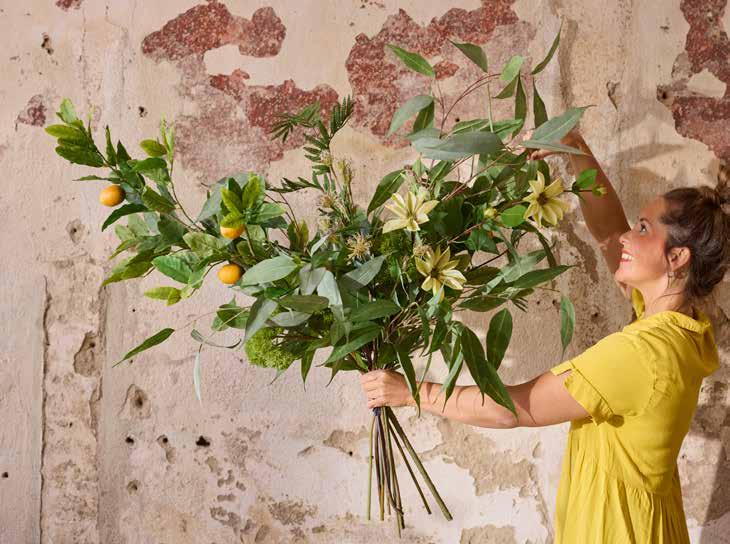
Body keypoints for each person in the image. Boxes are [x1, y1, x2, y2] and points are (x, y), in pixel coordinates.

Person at [360, 129, 730, 543]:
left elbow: (514, 409)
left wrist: (410, 393)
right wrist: (574, 147)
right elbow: (610, 231)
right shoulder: (681, 329)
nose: (628, 236)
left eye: (643, 228)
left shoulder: (640, 354)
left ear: (676, 257)